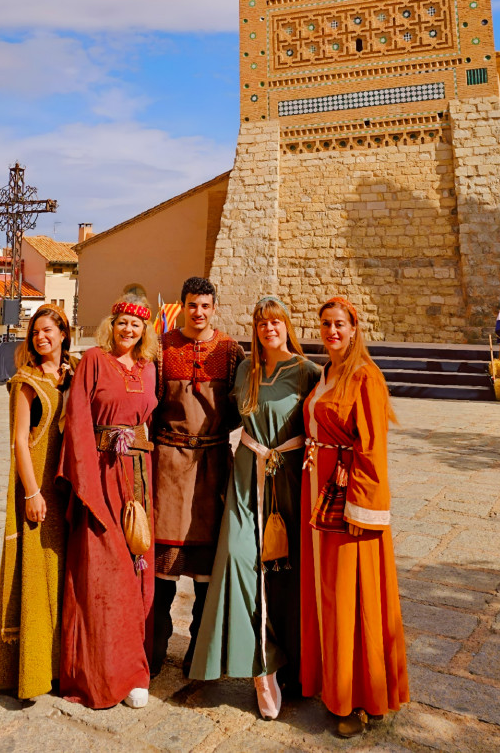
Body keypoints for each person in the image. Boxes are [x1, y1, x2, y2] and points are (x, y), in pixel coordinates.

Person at [190, 296, 321, 720]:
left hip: (288, 479)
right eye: (262, 323)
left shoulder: (307, 372)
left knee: (286, 572)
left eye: (276, 321)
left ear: (287, 326)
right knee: (237, 559)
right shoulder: (246, 369)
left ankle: (296, 667)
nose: (269, 329)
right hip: (247, 477)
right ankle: (260, 667)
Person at [300, 296, 409, 738]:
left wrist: (361, 513)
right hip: (318, 494)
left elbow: (372, 451)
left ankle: (358, 697)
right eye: (326, 324)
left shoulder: (366, 377)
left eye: (339, 324)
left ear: (354, 327)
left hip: (347, 504)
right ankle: (336, 685)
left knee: (353, 597)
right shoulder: (325, 373)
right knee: (329, 596)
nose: (332, 332)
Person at [56, 295, 158, 709]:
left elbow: (150, 423)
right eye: (121, 324)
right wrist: (86, 485)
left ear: (144, 331)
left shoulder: (150, 369)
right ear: (111, 326)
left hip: (137, 478)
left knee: (137, 571)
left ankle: (134, 670)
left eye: (135, 326)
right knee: (101, 574)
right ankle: (97, 674)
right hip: (99, 474)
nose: (128, 332)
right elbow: (77, 418)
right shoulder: (94, 361)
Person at [151, 276, 245, 678]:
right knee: (161, 571)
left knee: (208, 573)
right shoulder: (160, 349)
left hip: (213, 469)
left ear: (214, 307)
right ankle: (152, 652)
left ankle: (200, 656)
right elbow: (146, 400)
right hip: (167, 467)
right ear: (183, 305)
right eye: (192, 304)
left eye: (206, 305)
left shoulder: (231, 351)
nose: (199, 312)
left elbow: (243, 407)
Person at [0, 305, 73, 700]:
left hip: (66, 483)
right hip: (38, 487)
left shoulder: (72, 373)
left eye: (49, 331)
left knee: (60, 574)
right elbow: (19, 439)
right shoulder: (26, 381)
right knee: (34, 575)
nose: (41, 338)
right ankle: (29, 671)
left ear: (64, 334)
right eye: (36, 332)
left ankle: (56, 663)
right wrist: (32, 493)